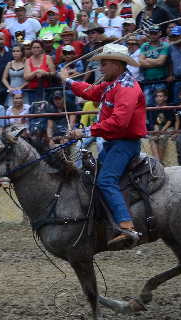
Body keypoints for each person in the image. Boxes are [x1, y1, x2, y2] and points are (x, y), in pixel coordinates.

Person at [61, 43, 147, 249]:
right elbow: (90, 92)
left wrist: (86, 131)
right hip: (113, 143)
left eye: (104, 64)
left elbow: (119, 122)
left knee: (106, 180)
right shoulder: (112, 83)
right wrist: (68, 81)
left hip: (124, 144)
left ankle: (127, 227)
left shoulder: (127, 88)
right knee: (94, 179)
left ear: (118, 65)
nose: (100, 68)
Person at [147, 89, 173, 163]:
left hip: (167, 127)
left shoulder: (168, 107)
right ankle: (157, 161)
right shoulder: (153, 107)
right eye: (157, 96)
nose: (158, 98)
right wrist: (156, 130)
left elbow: (169, 121)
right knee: (153, 138)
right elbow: (153, 122)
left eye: (161, 96)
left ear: (165, 98)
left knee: (162, 138)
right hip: (157, 128)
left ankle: (160, 162)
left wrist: (161, 131)